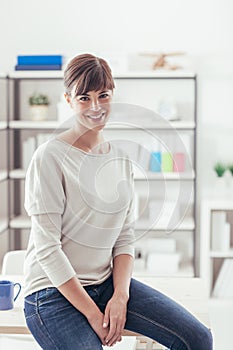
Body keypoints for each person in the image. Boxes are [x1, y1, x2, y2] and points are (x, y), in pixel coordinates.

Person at [24, 53, 213, 350]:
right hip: (53, 293)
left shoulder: (121, 159)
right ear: (68, 99)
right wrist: (92, 314)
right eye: (84, 97)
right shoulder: (49, 157)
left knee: (198, 339)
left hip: (106, 285)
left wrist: (120, 296)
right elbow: (47, 249)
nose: (96, 106)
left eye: (103, 95)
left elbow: (124, 238)